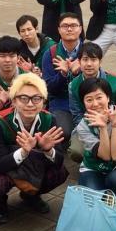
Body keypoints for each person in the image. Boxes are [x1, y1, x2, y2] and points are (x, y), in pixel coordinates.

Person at [0, 73, 68, 222]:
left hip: (33, 164)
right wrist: (23, 151)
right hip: (6, 163)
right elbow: (0, 164)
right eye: (23, 98)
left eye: (36, 98)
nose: (30, 104)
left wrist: (48, 149)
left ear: (43, 102)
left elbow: (59, 160)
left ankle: (31, 195)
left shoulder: (49, 119)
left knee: (59, 173)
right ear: (13, 101)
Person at [74, 78, 116, 201]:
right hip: (93, 167)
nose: (95, 104)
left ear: (108, 97)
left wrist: (115, 125)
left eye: (99, 97)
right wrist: (103, 128)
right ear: (83, 103)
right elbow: (105, 156)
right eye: (89, 100)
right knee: (93, 199)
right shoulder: (83, 125)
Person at [41, 12, 84, 140]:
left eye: (73, 25)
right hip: (61, 102)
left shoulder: (89, 51)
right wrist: (63, 74)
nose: (69, 29)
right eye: (65, 26)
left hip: (86, 102)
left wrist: (79, 73)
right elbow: (49, 88)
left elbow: (96, 82)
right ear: (59, 30)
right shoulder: (50, 53)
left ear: (80, 29)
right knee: (63, 131)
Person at [68, 41, 116, 127]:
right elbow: (77, 115)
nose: (89, 64)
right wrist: (89, 130)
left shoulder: (115, 82)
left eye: (93, 60)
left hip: (115, 124)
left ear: (100, 62)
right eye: (85, 59)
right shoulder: (73, 85)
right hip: (88, 126)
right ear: (79, 62)